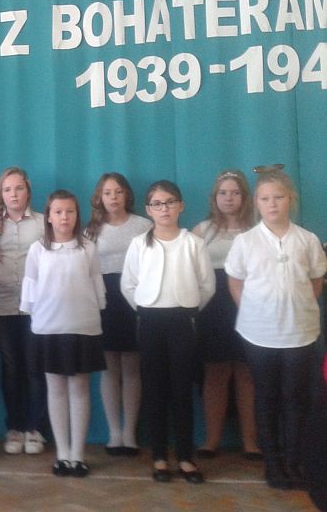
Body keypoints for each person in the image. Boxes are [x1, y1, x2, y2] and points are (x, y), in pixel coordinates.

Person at [225, 168, 325, 490]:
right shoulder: (246, 242)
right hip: (259, 334)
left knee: (296, 398)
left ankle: (295, 462)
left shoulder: (307, 240)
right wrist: (256, 312)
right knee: (266, 396)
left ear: (290, 200)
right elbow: (235, 281)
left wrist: (294, 309)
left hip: (300, 333)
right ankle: (273, 463)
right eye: (265, 199)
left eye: (278, 197)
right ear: (256, 202)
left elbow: (316, 281)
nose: (272, 204)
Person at [121, 180, 214, 484]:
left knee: (182, 390)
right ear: (148, 210)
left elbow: (207, 285)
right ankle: (159, 456)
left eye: (170, 202)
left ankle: (185, 457)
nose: (164, 209)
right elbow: (128, 284)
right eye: (157, 204)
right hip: (150, 321)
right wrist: (145, 308)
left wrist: (188, 309)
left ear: (180, 206)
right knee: (155, 390)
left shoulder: (193, 243)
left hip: (183, 322)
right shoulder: (139, 244)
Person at [21, 190, 106, 477]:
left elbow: (96, 283)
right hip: (48, 329)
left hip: (82, 327)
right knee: (56, 390)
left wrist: (98, 309)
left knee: (80, 389)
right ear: (48, 216)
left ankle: (78, 455)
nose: (64, 217)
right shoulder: (37, 250)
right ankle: (62, 454)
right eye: (58, 212)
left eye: (70, 211)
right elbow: (30, 288)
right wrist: (34, 316)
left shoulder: (88, 248)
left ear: (77, 215)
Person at [0, 167, 47, 455]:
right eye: (7, 189)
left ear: (28, 191)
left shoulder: (43, 223)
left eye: (19, 188)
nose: (14, 194)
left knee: (34, 367)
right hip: (3, 307)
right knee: (11, 367)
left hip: (37, 308)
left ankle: (35, 428)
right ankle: (15, 428)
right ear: (1, 194)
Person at [191, 170, 259, 460]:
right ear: (214, 197)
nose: (229, 198)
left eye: (235, 193)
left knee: (247, 374)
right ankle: (211, 440)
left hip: (249, 306)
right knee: (215, 374)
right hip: (213, 310)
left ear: (245, 197)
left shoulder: (257, 230)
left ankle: (251, 443)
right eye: (223, 193)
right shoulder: (201, 231)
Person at [84, 173, 150, 457]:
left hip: (134, 298)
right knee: (109, 368)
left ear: (127, 195)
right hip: (104, 299)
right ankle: (114, 433)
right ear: (100, 197)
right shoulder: (91, 230)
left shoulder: (143, 225)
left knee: (132, 367)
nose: (113, 197)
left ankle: (130, 433)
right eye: (108, 192)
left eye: (118, 192)